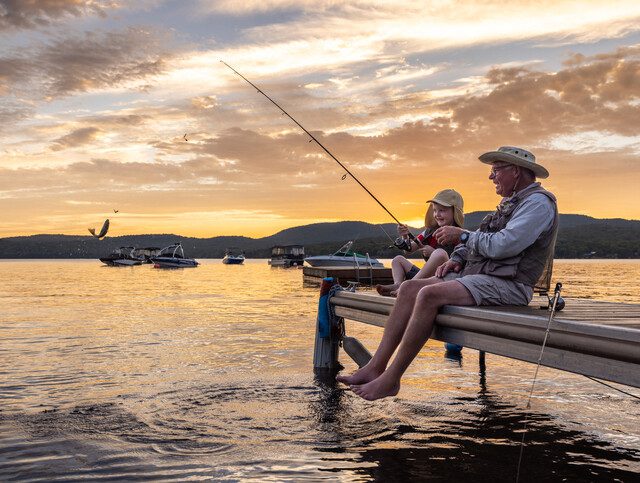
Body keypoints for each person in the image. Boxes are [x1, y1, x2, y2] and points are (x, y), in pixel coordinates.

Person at [337, 146, 558, 401]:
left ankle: (391, 379)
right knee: (408, 289)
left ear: (516, 172)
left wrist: (462, 235)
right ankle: (376, 366)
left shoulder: (538, 204)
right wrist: (457, 259)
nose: (491, 177)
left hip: (511, 285)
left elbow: (504, 244)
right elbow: (485, 241)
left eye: (495, 170)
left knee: (429, 294)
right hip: (484, 278)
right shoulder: (512, 202)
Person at [376, 189, 464, 297]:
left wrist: (433, 253)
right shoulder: (429, 231)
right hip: (424, 278)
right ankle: (398, 285)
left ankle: (407, 287)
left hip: (444, 278)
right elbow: (408, 249)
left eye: (442, 210)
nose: (437, 214)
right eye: (435, 210)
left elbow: (459, 263)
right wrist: (405, 235)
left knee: (439, 253)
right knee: (397, 260)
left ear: (455, 212)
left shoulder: (460, 235)